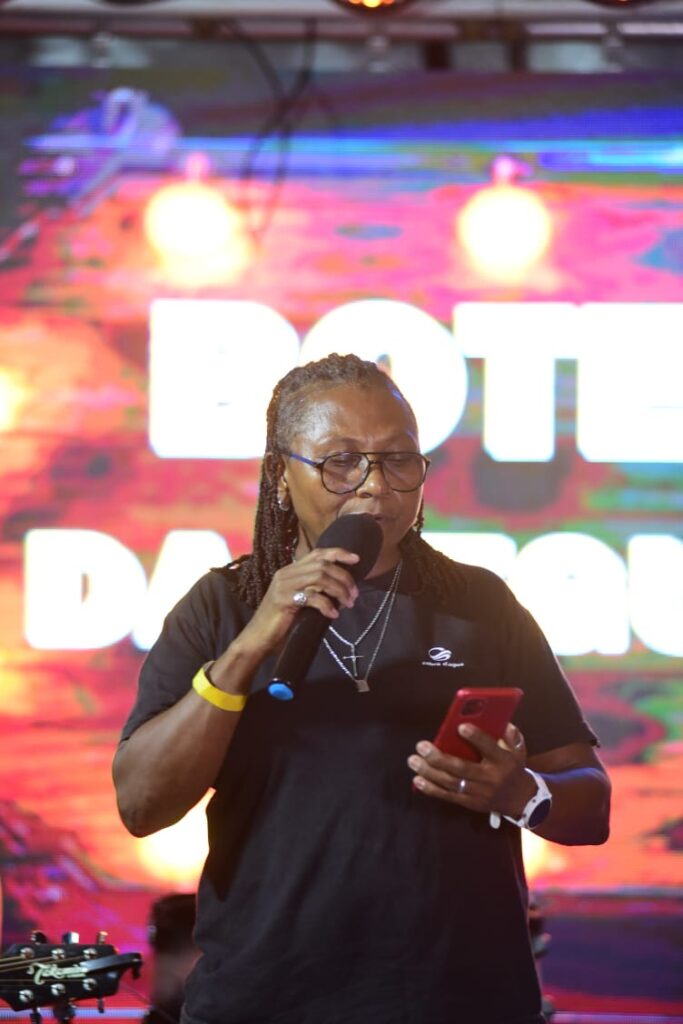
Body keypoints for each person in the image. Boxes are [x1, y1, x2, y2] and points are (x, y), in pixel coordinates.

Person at [113, 352, 611, 1024]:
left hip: (461, 1001)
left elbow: (591, 805)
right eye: (341, 461)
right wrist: (251, 646)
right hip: (267, 1002)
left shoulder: (479, 605)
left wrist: (521, 792)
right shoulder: (223, 606)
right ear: (281, 477)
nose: (376, 485)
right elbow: (142, 805)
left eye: (398, 459)